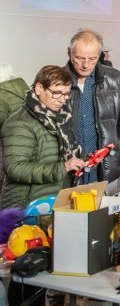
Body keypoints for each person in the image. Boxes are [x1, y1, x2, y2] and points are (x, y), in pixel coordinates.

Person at [1, 66, 85, 209]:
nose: (62, 100)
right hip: (24, 207)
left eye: (66, 94)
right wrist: (62, 168)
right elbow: (15, 169)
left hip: (49, 201)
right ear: (39, 88)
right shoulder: (20, 123)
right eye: (57, 93)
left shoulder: (60, 119)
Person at [64, 29, 120, 184]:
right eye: (79, 58)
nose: (86, 65)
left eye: (92, 59)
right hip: (67, 175)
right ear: (69, 53)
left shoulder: (114, 78)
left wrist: (118, 153)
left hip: (104, 172)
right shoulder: (57, 80)